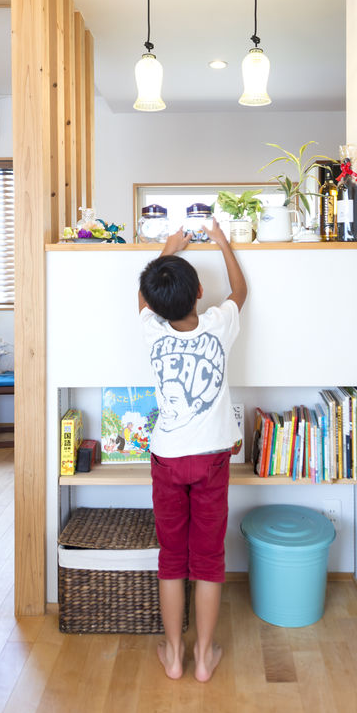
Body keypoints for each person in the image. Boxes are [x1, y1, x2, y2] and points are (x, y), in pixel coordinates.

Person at [138, 218, 247, 682]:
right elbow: (240, 291)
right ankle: (203, 657)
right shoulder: (220, 325)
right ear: (201, 291)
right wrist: (221, 241)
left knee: (171, 558)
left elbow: (144, 298)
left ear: (156, 306)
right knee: (208, 558)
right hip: (212, 459)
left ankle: (175, 655)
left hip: (167, 458)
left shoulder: (151, 330)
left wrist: (169, 246)